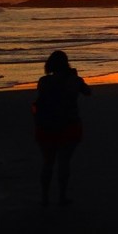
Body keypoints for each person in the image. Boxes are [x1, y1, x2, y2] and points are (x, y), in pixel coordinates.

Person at [33, 49, 91, 206]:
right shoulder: (74, 80)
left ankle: (45, 197)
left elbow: (41, 97)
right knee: (64, 162)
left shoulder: (43, 81)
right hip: (69, 125)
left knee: (47, 162)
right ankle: (62, 197)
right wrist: (75, 77)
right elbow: (88, 92)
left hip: (45, 126)